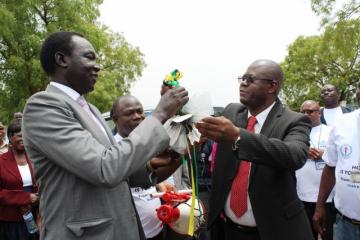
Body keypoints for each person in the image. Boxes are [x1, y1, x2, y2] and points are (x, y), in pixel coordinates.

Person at [22, 31, 188, 240]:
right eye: (89, 57)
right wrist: (159, 114)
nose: (97, 66)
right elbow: (104, 167)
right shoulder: (43, 106)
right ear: (62, 59)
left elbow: (116, 164)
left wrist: (154, 164)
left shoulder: (89, 108)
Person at [195, 59, 313, 240]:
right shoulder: (231, 112)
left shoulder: (295, 120)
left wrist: (238, 137)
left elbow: (294, 156)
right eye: (242, 78)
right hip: (227, 230)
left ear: (272, 86)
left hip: (273, 231)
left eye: (250, 79)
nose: (243, 83)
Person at [111, 95, 183, 240]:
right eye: (129, 113)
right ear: (115, 118)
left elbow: (152, 177)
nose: (137, 116)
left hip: (159, 228)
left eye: (139, 111)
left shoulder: (152, 144)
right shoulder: (112, 150)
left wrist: (182, 155)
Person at [313, 81, 360, 240]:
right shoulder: (342, 123)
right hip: (344, 224)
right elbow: (330, 167)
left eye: (330, 90)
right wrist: (320, 206)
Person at [296, 100, 335, 240]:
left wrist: (324, 154)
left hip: (328, 198)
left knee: (328, 235)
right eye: (303, 112)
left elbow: (340, 155)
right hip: (301, 196)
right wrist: (302, 152)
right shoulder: (295, 132)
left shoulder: (331, 131)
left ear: (319, 113)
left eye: (310, 111)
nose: (306, 114)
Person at [0, 121, 39, 240]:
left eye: (26, 135)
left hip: (35, 217)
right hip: (10, 221)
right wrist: (25, 198)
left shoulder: (35, 159)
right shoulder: (1, 161)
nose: (23, 138)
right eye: (19, 135)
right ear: (10, 138)